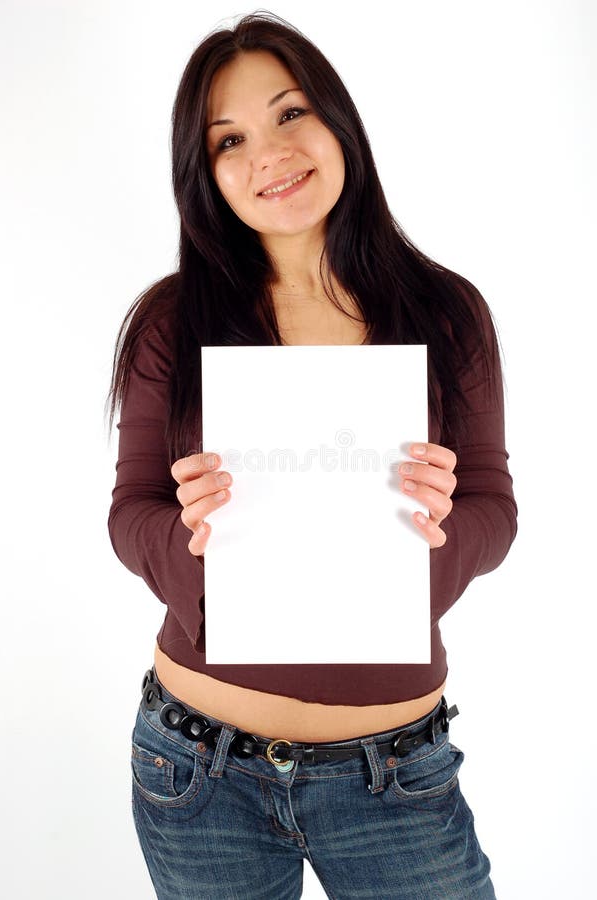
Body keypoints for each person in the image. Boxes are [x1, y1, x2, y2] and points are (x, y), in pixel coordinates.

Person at [106, 11, 517, 899]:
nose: (269, 154)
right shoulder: (172, 323)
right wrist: (189, 537)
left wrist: (440, 536)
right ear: (204, 171)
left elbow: (493, 505)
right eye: (229, 138)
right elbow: (129, 509)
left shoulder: (447, 311)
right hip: (197, 767)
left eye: (290, 114)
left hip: (395, 773)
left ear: (338, 122)